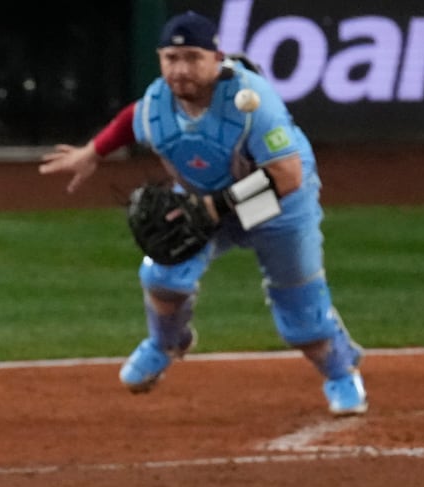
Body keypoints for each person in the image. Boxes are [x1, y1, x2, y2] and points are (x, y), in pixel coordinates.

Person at [38, 10, 367, 415]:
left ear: (216, 58)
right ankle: (166, 343)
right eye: (171, 59)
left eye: (193, 57)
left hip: (279, 203)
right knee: (161, 275)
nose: (180, 70)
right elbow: (133, 120)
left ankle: (341, 374)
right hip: (203, 199)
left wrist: (212, 207)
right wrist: (93, 152)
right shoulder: (159, 103)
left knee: (302, 313)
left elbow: (287, 175)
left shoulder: (253, 103)